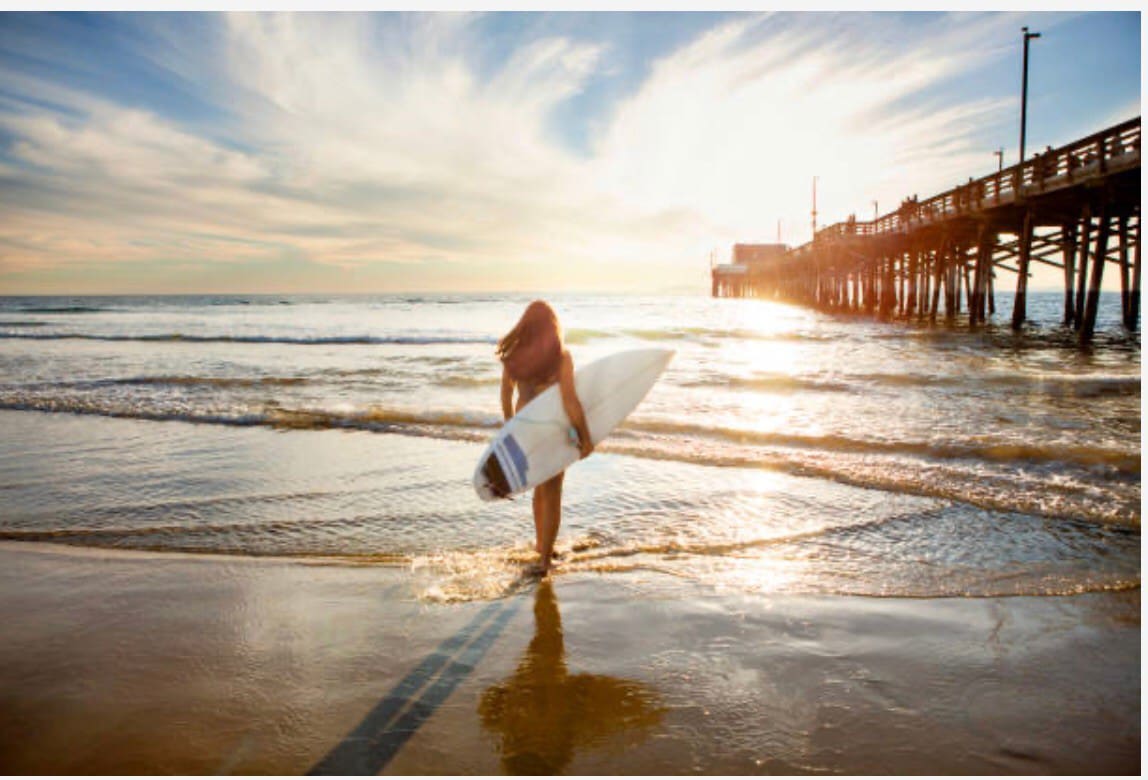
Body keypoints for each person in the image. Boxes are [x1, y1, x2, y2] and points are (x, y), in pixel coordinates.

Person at [497, 300, 593, 574]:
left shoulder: (514, 356)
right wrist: (585, 436)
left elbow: (505, 394)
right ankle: (545, 561)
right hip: (551, 427)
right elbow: (570, 400)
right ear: (553, 328)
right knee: (553, 491)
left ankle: (542, 547)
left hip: (525, 427)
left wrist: (508, 426)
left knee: (540, 488)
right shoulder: (561, 357)